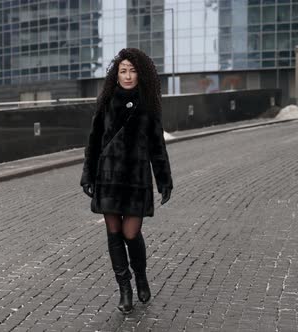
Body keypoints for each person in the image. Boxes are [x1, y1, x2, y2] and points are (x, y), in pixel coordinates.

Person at [80, 48, 173, 314]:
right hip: (108, 177)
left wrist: (164, 180)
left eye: (132, 70)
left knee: (131, 233)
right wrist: (88, 175)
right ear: (116, 74)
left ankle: (141, 275)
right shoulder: (107, 101)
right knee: (113, 233)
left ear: (140, 73)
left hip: (135, 180)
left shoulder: (149, 105)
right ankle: (125, 288)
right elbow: (94, 142)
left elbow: (157, 147)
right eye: (123, 71)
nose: (128, 75)